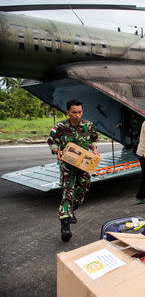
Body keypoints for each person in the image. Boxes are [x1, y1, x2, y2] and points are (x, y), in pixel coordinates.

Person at [48, 99, 99, 242]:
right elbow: (52, 140)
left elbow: (94, 139)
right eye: (74, 112)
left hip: (84, 164)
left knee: (82, 191)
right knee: (68, 191)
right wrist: (57, 150)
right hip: (68, 165)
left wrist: (94, 150)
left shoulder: (88, 125)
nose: (77, 115)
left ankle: (70, 211)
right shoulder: (60, 126)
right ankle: (65, 226)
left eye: (80, 112)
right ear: (68, 112)